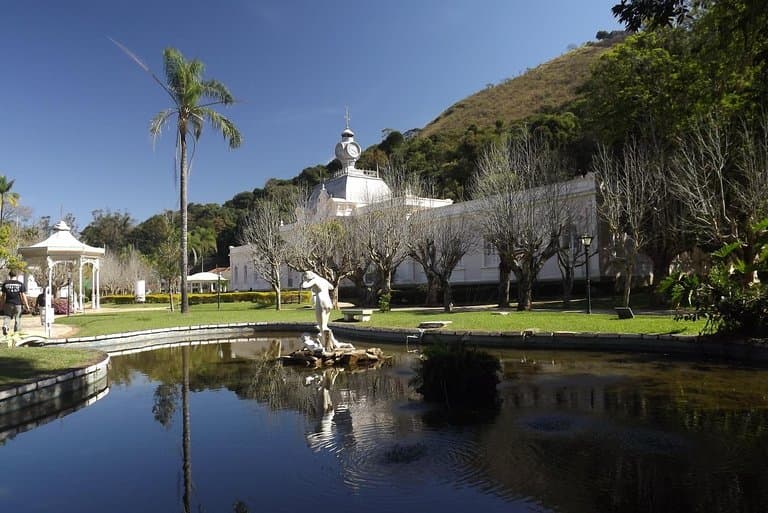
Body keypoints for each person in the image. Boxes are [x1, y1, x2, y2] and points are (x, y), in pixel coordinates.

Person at [1, 270, 30, 335]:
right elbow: (23, 295)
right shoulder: (20, 284)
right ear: (16, 275)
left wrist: (1, 305)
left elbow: (3, 296)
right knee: (17, 318)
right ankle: (16, 332)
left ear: (9, 275)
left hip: (8, 303)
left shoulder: (5, 284)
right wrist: (27, 305)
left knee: (7, 316)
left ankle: (5, 326)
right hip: (18, 304)